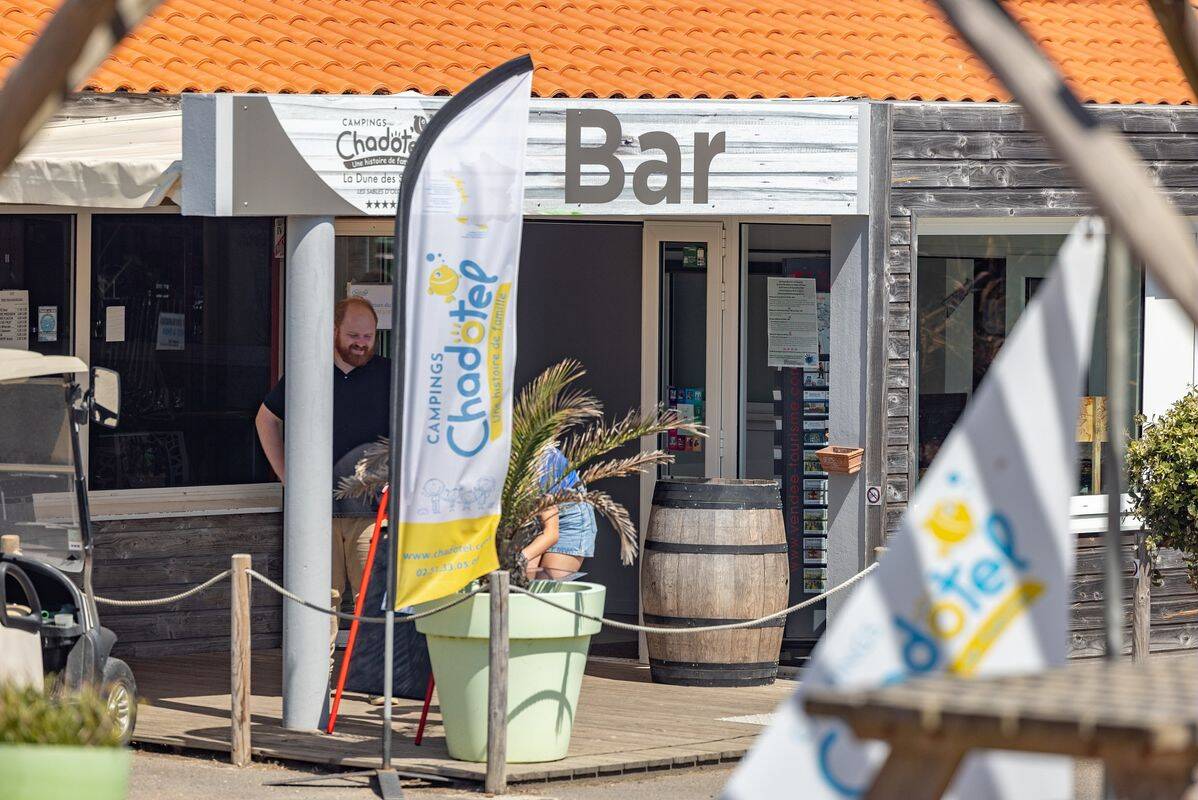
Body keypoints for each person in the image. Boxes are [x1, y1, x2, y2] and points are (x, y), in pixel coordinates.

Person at [254, 296, 391, 631]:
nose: (361, 343)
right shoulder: (309, 373)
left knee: (370, 602)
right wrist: (287, 476)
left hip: (373, 514)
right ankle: (318, 684)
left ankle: (369, 683)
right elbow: (265, 420)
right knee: (319, 604)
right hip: (317, 512)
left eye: (368, 336)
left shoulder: (390, 374)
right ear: (334, 331)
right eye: (353, 335)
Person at [523, 446, 598, 580]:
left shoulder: (542, 462)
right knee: (520, 582)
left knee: (545, 588)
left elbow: (551, 534)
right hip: (530, 514)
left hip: (567, 518)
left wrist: (518, 559)